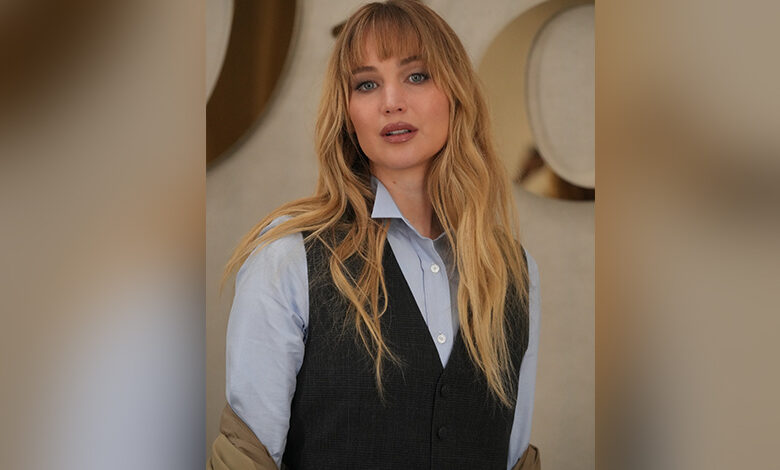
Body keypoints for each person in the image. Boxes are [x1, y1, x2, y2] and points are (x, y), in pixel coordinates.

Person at [210, 1, 541, 469]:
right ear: (347, 113)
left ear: (455, 93)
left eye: (417, 75)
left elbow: (514, 458)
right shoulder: (287, 258)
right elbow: (247, 459)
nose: (391, 101)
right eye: (366, 84)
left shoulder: (515, 272)